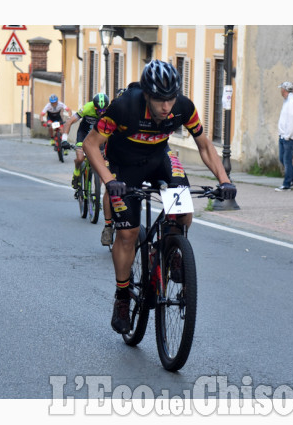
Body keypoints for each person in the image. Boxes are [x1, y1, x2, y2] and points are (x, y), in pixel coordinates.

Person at [82, 60, 236, 334]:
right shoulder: (124, 106)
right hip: (123, 166)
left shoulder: (183, 108)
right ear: (146, 95)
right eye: (159, 100)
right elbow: (91, 144)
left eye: (170, 99)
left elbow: (204, 145)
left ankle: (170, 248)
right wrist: (109, 180)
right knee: (128, 234)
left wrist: (224, 181)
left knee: (183, 210)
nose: (166, 107)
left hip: (159, 158)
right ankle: (121, 297)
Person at [61, 92, 114, 245]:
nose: (101, 113)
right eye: (98, 110)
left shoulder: (110, 111)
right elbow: (70, 121)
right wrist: (64, 139)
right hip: (84, 135)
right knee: (80, 158)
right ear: (94, 106)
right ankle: (77, 173)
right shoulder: (88, 107)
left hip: (99, 137)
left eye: (103, 111)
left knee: (103, 164)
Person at [275, 81, 293, 191]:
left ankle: (287, 184)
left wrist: (287, 136)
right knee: (283, 158)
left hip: (289, 138)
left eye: (281, 89)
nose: (281, 91)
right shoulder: (287, 101)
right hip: (284, 136)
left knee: (286, 160)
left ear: (284, 90)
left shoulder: (291, 102)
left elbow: (291, 120)